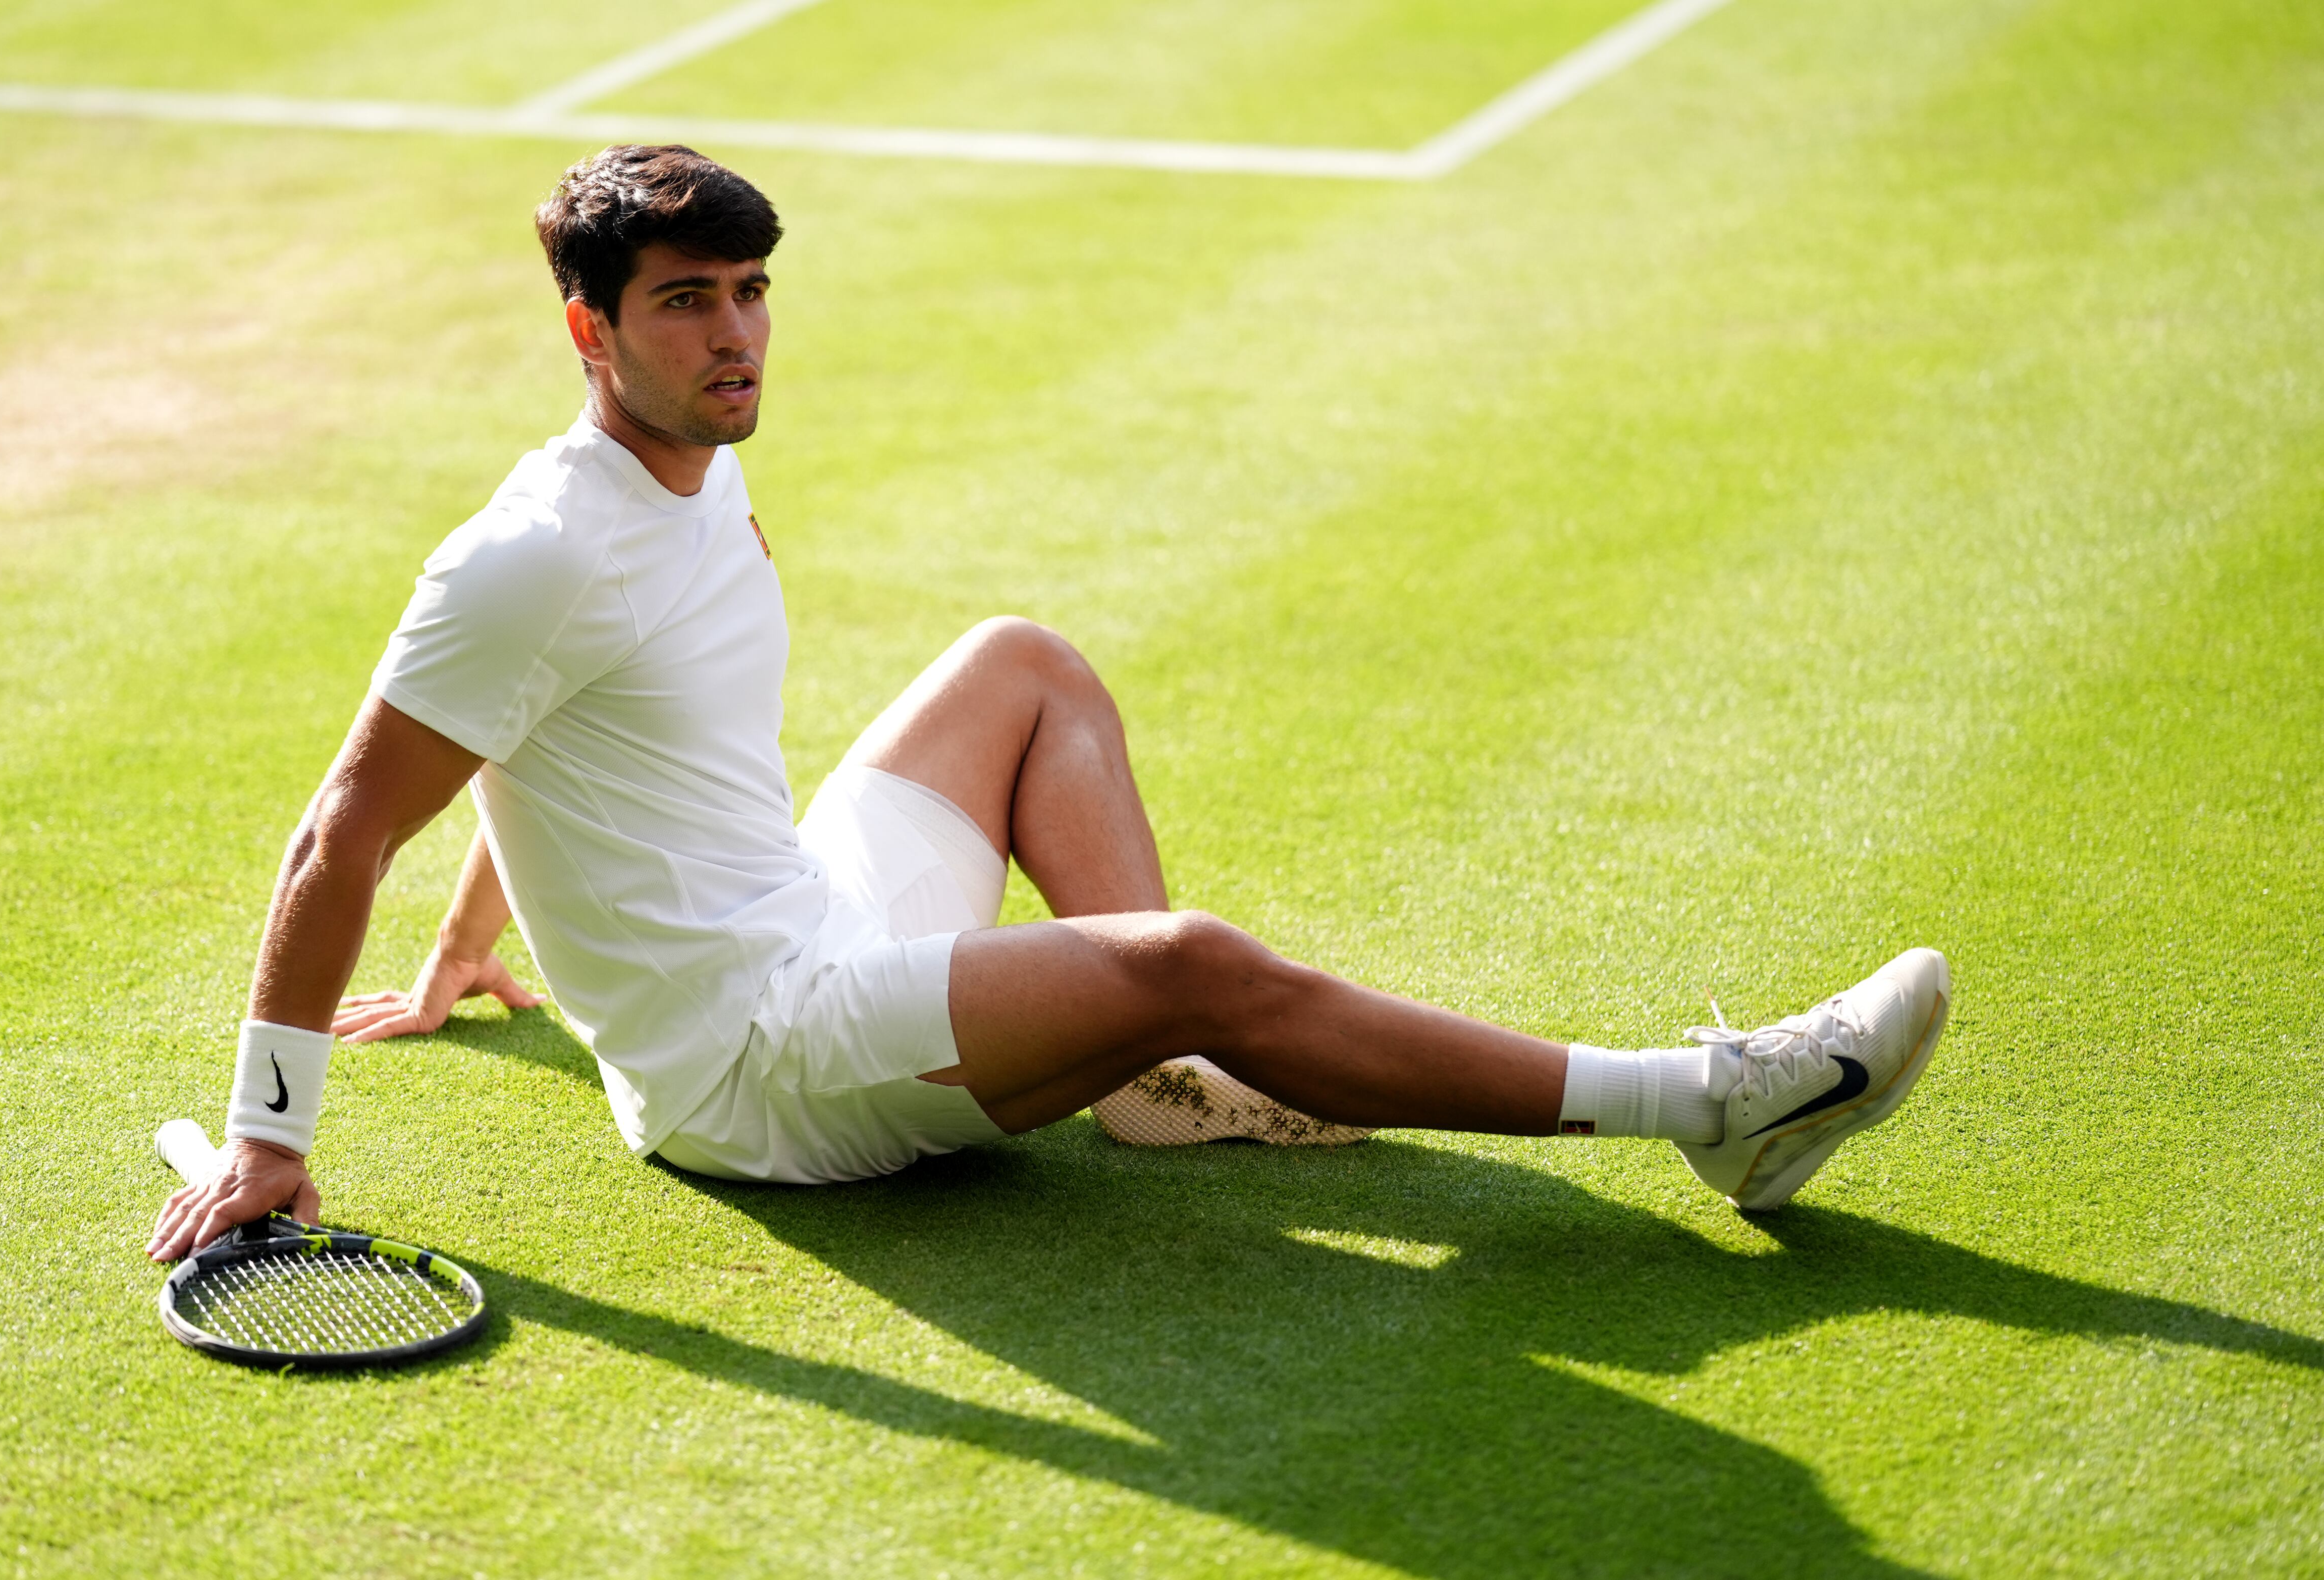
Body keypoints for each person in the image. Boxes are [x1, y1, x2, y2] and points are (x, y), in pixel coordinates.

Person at [148, 145, 1950, 1260]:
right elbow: (341, 826)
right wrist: (269, 1136)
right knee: (1188, 952)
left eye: (753, 294)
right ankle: (1719, 1102)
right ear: (588, 331)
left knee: (1019, 660)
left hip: (810, 921)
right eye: (686, 302)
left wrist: (474, 942)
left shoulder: (689, 483)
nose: (737, 337)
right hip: (752, 1068)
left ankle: (1155, 1085)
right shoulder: (532, 548)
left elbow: (560, 732)